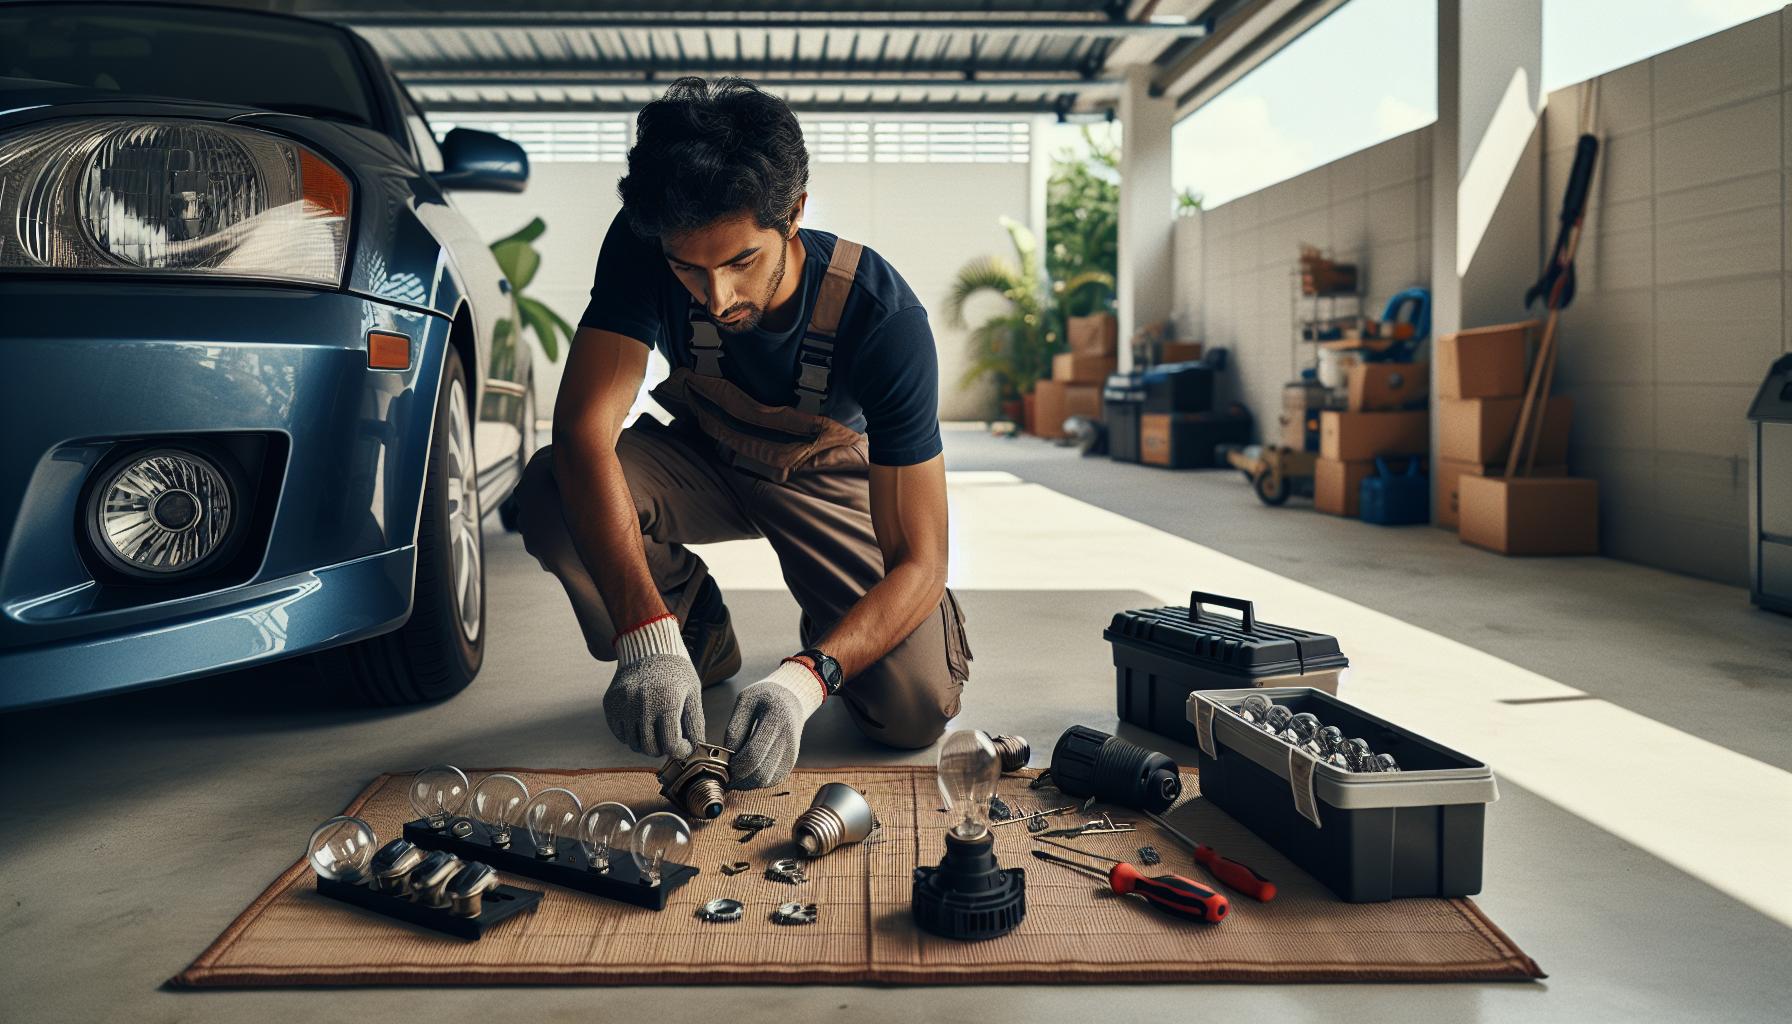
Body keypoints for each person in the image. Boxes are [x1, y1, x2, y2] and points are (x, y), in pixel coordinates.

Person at [513, 77, 972, 790]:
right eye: (688, 270)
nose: (716, 297)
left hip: (823, 480)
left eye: (740, 262)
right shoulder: (643, 242)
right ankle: (691, 629)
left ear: (795, 213)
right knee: (553, 487)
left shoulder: (884, 319)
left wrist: (807, 679)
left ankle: (827, 628)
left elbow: (921, 562)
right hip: (703, 455)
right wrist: (644, 634)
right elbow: (583, 431)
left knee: (911, 709)